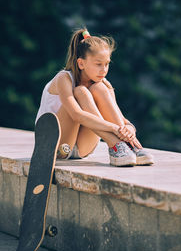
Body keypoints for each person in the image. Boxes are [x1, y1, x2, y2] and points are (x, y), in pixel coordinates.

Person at [35, 28, 154, 166]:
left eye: (107, 64)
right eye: (98, 64)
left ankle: (128, 145)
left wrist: (129, 129)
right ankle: (115, 144)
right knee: (81, 92)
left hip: (82, 148)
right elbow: (76, 115)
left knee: (99, 88)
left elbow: (118, 117)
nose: (104, 70)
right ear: (81, 63)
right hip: (57, 145)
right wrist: (115, 129)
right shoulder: (64, 78)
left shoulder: (103, 84)